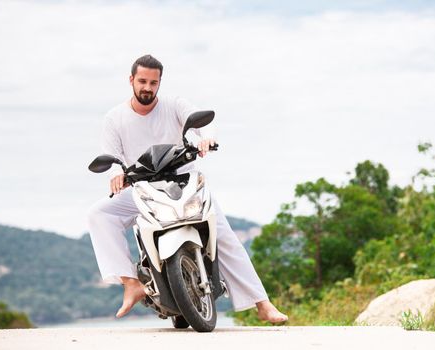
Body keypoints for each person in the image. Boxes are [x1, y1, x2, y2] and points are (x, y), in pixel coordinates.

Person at [87, 54, 288, 323]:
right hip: (143, 189)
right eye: (142, 81)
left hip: (185, 182)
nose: (147, 87)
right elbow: (111, 155)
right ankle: (130, 283)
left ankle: (262, 304)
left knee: (224, 234)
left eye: (153, 82)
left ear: (160, 83)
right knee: (98, 214)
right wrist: (116, 174)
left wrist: (207, 139)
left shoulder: (174, 105)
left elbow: (203, 124)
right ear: (131, 80)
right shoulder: (115, 118)